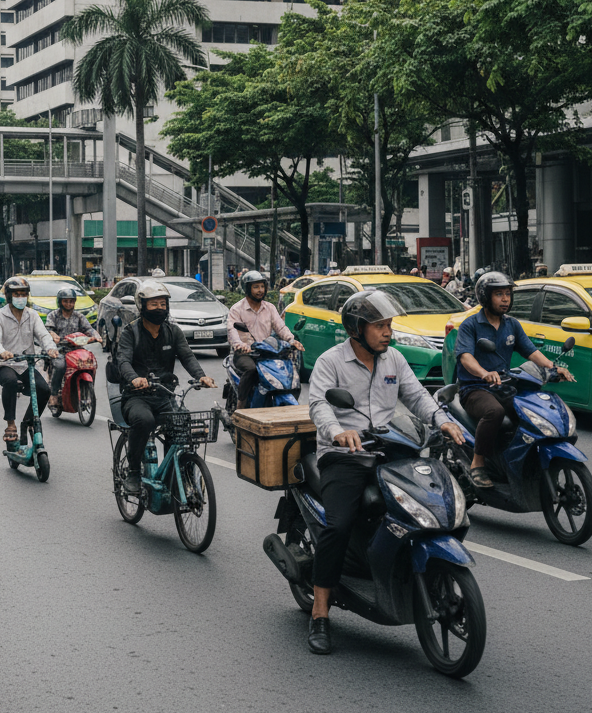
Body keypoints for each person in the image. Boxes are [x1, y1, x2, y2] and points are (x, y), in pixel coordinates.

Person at [306, 290, 466, 655]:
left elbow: (417, 396)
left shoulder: (393, 358)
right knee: (339, 525)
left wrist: (442, 421)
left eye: (389, 325)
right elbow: (318, 404)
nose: (387, 333)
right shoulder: (332, 361)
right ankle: (320, 613)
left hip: (389, 448)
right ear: (358, 329)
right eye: (379, 326)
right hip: (344, 455)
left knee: (425, 505)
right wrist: (337, 432)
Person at [454, 271, 573, 489]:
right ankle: (478, 463)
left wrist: (552, 367)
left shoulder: (512, 325)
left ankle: (519, 461)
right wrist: (483, 373)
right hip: (475, 388)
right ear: (485, 297)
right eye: (499, 294)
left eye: (508, 294)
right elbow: (465, 357)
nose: (505, 299)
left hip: (504, 386)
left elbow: (530, 351)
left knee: (534, 410)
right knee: (494, 412)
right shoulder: (470, 325)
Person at [116, 280, 216, 494]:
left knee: (182, 424)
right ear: (142, 306)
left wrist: (201, 376)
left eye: (163, 304)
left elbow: (187, 356)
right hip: (136, 397)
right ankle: (133, 470)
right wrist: (134, 378)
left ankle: (178, 474)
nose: (160, 308)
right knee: (144, 421)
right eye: (154, 304)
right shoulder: (130, 332)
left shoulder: (173, 331)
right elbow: (123, 360)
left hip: (165, 396)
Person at [0, 276, 58, 445]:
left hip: (27, 363)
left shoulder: (32, 315)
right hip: (5, 365)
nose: (20, 297)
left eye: (23, 294)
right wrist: (2, 352)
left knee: (44, 389)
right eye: (16, 294)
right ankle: (10, 425)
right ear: (9, 296)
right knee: (10, 382)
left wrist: (50, 348)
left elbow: (43, 335)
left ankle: (28, 421)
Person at [226, 270, 303, 409]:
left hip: (268, 353)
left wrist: (291, 340)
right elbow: (232, 331)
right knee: (251, 370)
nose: (260, 290)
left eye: (262, 287)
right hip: (246, 353)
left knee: (287, 369)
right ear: (247, 288)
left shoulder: (270, 308)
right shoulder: (237, 309)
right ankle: (241, 406)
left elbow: (280, 327)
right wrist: (239, 345)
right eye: (256, 287)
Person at [45, 285, 101, 408]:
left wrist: (97, 336)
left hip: (76, 350)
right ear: (60, 302)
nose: (69, 304)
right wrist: (54, 335)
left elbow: (89, 329)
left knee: (91, 362)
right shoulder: (53, 315)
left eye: (71, 301)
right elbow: (48, 329)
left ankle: (87, 392)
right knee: (60, 366)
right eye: (66, 301)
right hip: (59, 350)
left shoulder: (79, 316)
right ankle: (54, 394)